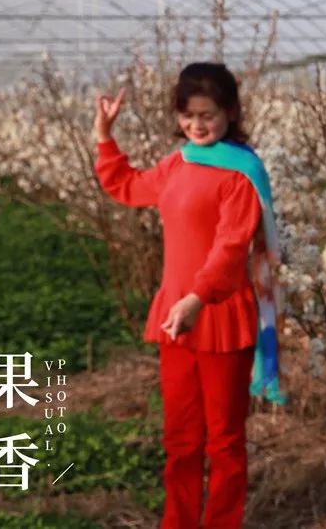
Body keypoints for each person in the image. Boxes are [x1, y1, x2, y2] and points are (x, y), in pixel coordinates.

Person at [94, 62, 281, 528]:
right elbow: (129, 186)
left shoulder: (241, 172)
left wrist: (197, 298)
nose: (197, 125)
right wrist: (104, 136)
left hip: (216, 315)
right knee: (180, 440)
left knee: (224, 442)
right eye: (188, 115)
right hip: (175, 317)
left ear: (231, 113)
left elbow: (231, 247)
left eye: (209, 115)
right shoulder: (179, 163)